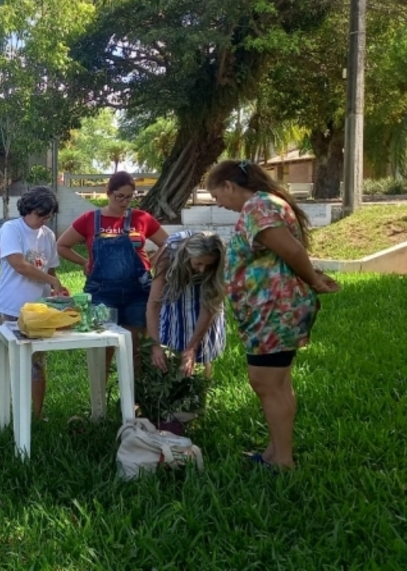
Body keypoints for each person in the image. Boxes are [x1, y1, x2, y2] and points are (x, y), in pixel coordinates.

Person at [205, 159, 340, 470]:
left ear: (229, 186)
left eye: (217, 196)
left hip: (274, 313)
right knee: (276, 382)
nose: (219, 204)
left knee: (267, 383)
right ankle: (274, 452)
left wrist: (314, 280)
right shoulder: (264, 204)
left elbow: (292, 250)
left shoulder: (258, 206)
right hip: (270, 312)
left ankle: (282, 460)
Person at [56, 171, 168, 376]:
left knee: (135, 352)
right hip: (102, 294)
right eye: (120, 196)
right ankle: (100, 406)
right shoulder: (90, 219)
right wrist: (84, 262)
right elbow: (62, 245)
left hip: (137, 293)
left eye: (129, 197)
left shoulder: (141, 218)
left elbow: (169, 244)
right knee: (102, 351)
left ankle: (134, 404)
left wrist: (150, 262)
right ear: (108, 193)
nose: (124, 202)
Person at [0, 186, 67, 421]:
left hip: (39, 310)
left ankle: (36, 415)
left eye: (47, 217)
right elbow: (19, 264)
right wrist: (51, 279)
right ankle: (13, 414)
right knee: (14, 363)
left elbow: (51, 268)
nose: (43, 220)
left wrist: (57, 288)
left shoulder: (48, 234)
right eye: (40, 215)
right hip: (11, 307)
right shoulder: (11, 229)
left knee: (37, 363)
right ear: (27, 209)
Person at [145, 231, 227, 379]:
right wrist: (155, 345)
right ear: (188, 255)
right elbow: (153, 305)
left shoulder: (216, 264)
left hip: (204, 301)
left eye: (208, 265)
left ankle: (202, 389)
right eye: (199, 263)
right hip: (175, 297)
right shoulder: (168, 256)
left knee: (201, 353)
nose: (203, 270)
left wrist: (191, 348)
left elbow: (208, 308)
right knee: (171, 345)